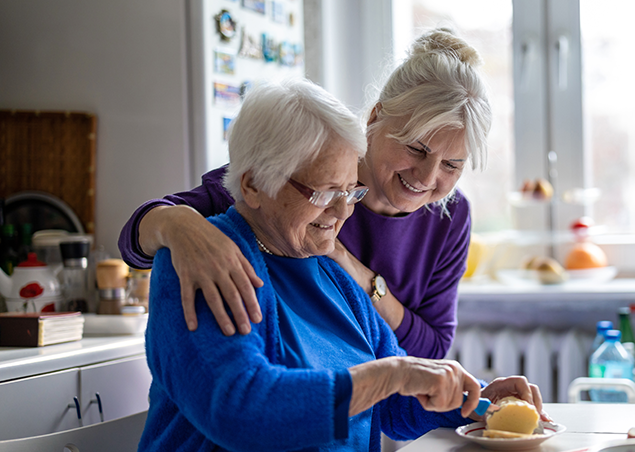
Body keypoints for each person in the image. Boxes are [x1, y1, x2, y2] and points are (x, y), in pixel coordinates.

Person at [114, 79, 541, 452]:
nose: (342, 213)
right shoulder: (205, 265)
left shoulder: (332, 275)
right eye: (323, 194)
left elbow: (395, 407)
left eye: (350, 191)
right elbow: (241, 409)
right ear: (255, 184)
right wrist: (389, 375)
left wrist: (478, 402)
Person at [118, 28, 492, 359]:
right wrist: (179, 224)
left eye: (452, 164)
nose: (427, 177)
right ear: (376, 118)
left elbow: (429, 351)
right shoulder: (310, 161)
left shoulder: (450, 215)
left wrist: (354, 271)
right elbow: (133, 242)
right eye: (417, 148)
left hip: (364, 413)